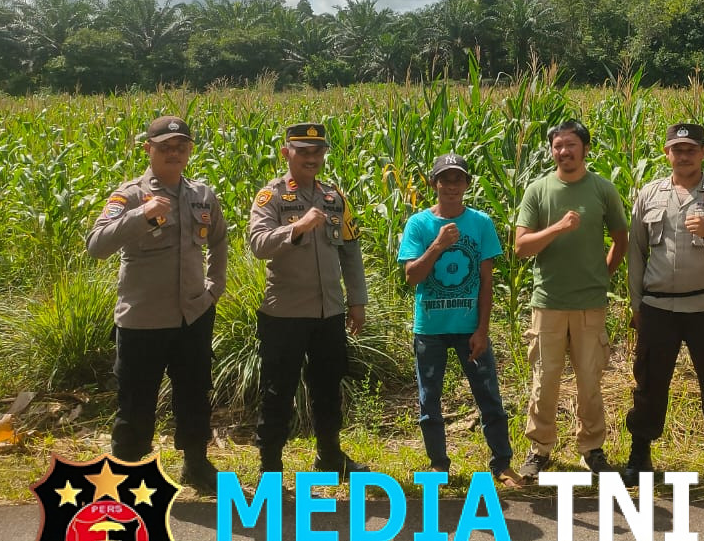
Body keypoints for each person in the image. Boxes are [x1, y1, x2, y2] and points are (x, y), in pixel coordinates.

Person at [86, 115, 228, 494]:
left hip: (193, 315)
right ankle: (128, 473)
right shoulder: (130, 195)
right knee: (136, 401)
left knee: (195, 393)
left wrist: (214, 287)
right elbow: (96, 245)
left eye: (181, 146)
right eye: (165, 147)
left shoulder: (202, 194)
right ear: (148, 149)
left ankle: (196, 464)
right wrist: (141, 216)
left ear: (189, 150)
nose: (173, 153)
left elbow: (219, 239)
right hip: (142, 320)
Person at [623, 123, 704, 482]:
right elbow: (636, 253)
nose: (684, 156)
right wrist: (636, 304)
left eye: (691, 149)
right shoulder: (649, 194)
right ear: (667, 154)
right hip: (658, 308)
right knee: (649, 383)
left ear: (703, 153)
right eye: (677, 150)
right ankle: (640, 454)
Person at [247, 122, 369, 477]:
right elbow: (258, 244)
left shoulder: (334, 198)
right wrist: (297, 228)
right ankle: (270, 466)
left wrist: (357, 301)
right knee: (278, 391)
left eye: (318, 152)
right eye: (303, 152)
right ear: (286, 153)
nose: (311, 158)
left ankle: (329, 457)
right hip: (284, 313)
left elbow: (350, 251)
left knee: (328, 388)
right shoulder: (270, 197)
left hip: (328, 312)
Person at [514, 118, 629, 479]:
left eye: (571, 145)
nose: (564, 152)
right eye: (558, 146)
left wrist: (601, 276)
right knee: (544, 381)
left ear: (585, 149)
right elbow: (521, 247)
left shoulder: (602, 189)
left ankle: (591, 448)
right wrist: (558, 228)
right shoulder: (538, 190)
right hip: (547, 302)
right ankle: (539, 449)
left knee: (590, 381)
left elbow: (621, 240)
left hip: (589, 304)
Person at [397, 153, 521, 486]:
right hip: (430, 330)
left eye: (458, 179)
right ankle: (438, 465)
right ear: (433, 184)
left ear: (467, 184)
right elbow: (412, 276)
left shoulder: (480, 223)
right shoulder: (419, 225)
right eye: (445, 179)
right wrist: (437, 245)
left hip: (470, 329)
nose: (451, 186)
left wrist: (482, 329)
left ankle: (502, 464)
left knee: (489, 398)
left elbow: (486, 281)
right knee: (429, 401)